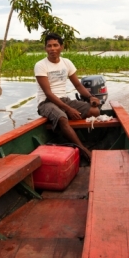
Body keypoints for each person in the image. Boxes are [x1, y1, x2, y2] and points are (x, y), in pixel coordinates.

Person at [35, 32, 101, 161]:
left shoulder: (66, 62)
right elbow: (48, 93)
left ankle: (65, 133)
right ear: (45, 48)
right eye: (49, 46)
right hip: (46, 102)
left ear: (61, 47)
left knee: (95, 111)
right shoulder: (40, 65)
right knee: (62, 118)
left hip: (63, 100)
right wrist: (69, 109)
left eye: (55, 45)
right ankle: (83, 150)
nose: (52, 48)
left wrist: (90, 97)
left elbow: (77, 85)